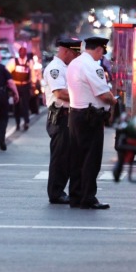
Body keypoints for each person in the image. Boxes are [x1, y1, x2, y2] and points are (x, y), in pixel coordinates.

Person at [66, 36, 116, 209]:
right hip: (90, 117)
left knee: (77, 158)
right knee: (91, 159)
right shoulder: (93, 66)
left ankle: (76, 195)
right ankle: (88, 197)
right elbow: (103, 94)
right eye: (101, 53)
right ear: (99, 50)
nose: (100, 56)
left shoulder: (74, 63)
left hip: (75, 114)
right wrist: (114, 101)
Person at [42, 37, 81, 204]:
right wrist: (82, 97)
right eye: (74, 53)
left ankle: (62, 190)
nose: (76, 56)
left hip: (69, 115)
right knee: (60, 157)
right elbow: (60, 93)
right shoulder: (55, 69)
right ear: (65, 51)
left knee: (69, 156)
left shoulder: (67, 67)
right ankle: (56, 193)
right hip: (59, 116)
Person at [7, 46, 37, 131]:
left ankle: (26, 122)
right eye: (21, 52)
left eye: (24, 52)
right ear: (19, 53)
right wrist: (10, 83)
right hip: (16, 86)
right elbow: (7, 71)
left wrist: (33, 84)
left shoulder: (29, 62)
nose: (22, 54)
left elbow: (32, 73)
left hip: (25, 85)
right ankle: (17, 123)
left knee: (25, 105)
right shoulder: (13, 61)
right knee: (16, 105)